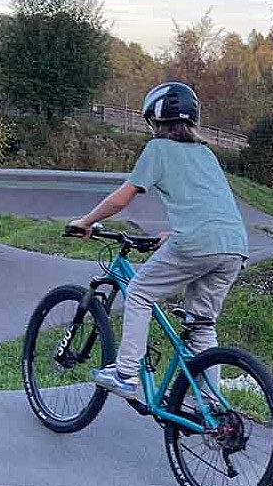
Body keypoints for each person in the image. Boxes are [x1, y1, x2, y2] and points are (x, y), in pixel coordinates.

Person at [69, 82, 248, 401]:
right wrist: (172, 233)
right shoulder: (206, 153)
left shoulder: (158, 149)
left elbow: (122, 198)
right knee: (202, 324)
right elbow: (207, 204)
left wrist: (87, 221)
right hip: (234, 245)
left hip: (196, 244)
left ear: (155, 119)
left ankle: (125, 374)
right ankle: (211, 405)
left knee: (138, 293)